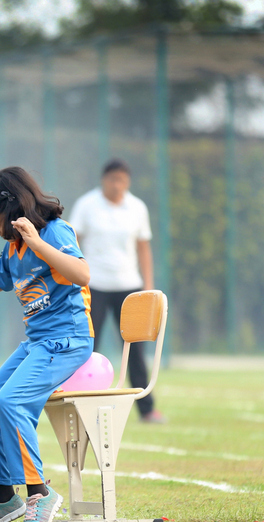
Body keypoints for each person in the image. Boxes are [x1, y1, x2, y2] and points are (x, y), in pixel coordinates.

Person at [0, 167, 93, 522]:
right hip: (37, 343)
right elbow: (2, 277)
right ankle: (3, 499)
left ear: (14, 211)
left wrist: (38, 243)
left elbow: (82, 275)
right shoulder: (13, 245)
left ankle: (39, 493)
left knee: (10, 403)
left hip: (68, 340)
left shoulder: (54, 231)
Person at [68, 159, 165, 424]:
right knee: (88, 347)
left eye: (122, 179)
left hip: (129, 288)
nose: (117, 184)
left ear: (128, 181)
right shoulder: (87, 205)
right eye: (112, 179)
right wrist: (76, 278)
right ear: (104, 180)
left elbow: (143, 247)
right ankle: (80, 406)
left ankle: (147, 410)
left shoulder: (136, 207)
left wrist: (148, 284)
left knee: (135, 352)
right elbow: (73, 241)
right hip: (94, 285)